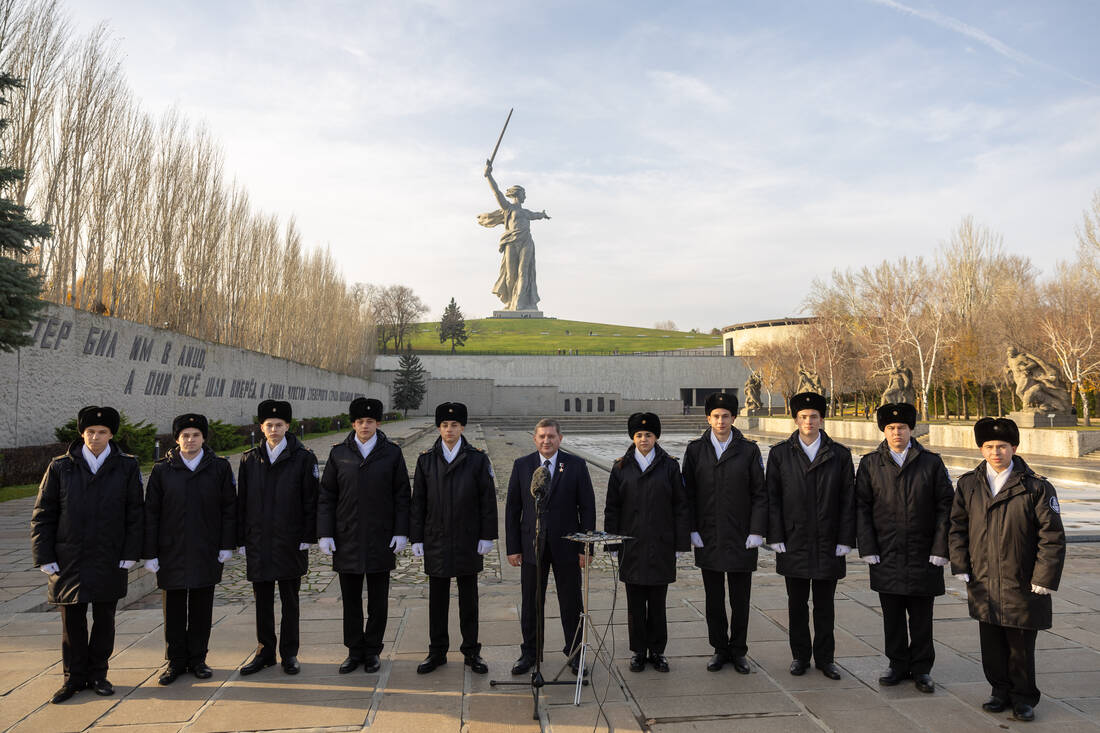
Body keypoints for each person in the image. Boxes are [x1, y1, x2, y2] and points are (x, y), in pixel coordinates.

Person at [949, 418, 1066, 722]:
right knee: (991, 642)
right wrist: (960, 564)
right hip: (983, 579)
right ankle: (999, 691)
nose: (996, 452)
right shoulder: (968, 484)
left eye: (1002, 446)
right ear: (981, 449)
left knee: (1020, 645)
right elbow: (957, 528)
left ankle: (1024, 697)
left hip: (1022, 580)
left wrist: (1044, 577)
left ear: (1014, 447)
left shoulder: (1035, 486)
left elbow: (1051, 536)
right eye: (989, 446)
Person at [31, 406, 143, 704]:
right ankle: (73, 678)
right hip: (70, 556)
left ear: (111, 435)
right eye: (90, 432)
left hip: (110, 554)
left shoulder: (126, 466)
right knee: (72, 620)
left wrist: (131, 551)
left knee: (104, 619)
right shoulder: (60, 467)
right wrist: (44, 555)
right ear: (82, 433)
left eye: (102, 432)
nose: (96, 437)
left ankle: (98, 674)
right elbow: (44, 513)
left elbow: (135, 513)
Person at [856, 402, 953, 694]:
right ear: (883, 431)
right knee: (893, 615)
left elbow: (946, 506)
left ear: (912, 429)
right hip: (886, 552)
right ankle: (897, 664)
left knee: (922, 617)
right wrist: (867, 546)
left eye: (902, 427)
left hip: (924, 553)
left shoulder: (931, 462)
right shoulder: (871, 463)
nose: (897, 432)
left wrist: (941, 547)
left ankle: (922, 669)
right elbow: (861, 506)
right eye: (891, 428)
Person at [318, 397, 410, 675]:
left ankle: (373, 650)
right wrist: (325, 533)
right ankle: (354, 650)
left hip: (380, 537)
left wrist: (401, 531)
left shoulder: (392, 453)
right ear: (353, 423)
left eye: (370, 421)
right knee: (351, 598)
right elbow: (327, 496)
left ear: (378, 423)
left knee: (379, 599)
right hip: (347, 537)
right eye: (360, 421)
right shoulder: (339, 454)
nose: (365, 425)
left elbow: (402, 495)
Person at [766, 392, 855, 680]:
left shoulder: (840, 454)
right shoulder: (780, 454)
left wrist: (845, 538)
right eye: (803, 416)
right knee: (796, 604)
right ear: (795, 419)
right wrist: (776, 535)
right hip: (794, 540)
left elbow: (848, 499)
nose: (808, 421)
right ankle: (800, 656)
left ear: (821, 419)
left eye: (814, 416)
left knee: (825, 606)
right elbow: (773, 498)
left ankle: (826, 658)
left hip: (828, 540)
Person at [143, 413, 236, 684]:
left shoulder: (219, 468)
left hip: (206, 548)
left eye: (196, 435)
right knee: (173, 609)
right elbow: (151, 513)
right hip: (170, 549)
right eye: (185, 435)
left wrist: (226, 544)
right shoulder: (162, 470)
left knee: (201, 607)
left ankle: (198, 659)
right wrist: (150, 552)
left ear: (204, 438)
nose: (191, 440)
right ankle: (175, 661)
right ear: (176, 439)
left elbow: (229, 508)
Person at [410, 402, 498, 674]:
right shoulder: (426, 459)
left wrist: (488, 535)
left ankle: (472, 651)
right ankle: (437, 652)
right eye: (445, 425)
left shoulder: (477, 458)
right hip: (435, 537)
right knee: (437, 601)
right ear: (439, 427)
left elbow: (487, 500)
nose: (450, 430)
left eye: (455, 425)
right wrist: (417, 538)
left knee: (468, 599)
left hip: (467, 538)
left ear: (463, 427)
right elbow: (418, 502)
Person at [505, 418, 597, 676]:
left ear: (560, 439)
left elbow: (587, 507)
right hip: (532, 545)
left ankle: (575, 652)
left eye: (551, 437)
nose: (547, 441)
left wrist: (586, 547)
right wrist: (513, 547)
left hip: (567, 546)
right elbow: (513, 508)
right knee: (531, 602)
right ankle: (530, 653)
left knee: (571, 602)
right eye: (542, 436)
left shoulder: (576, 466)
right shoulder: (522, 465)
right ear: (534, 439)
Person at [682, 393, 766, 674]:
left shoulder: (749, 450)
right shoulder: (695, 450)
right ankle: (719, 648)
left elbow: (759, 494)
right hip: (709, 535)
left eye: (726, 416)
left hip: (741, 535)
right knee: (714, 598)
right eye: (716, 416)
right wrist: (691, 528)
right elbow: (688, 494)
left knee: (740, 599)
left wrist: (757, 530)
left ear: (733, 418)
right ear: (708, 419)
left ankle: (739, 650)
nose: (720, 421)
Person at [236, 400, 318, 676]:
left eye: (279, 425)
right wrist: (241, 538)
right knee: (262, 600)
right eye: (269, 425)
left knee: (290, 599)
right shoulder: (249, 459)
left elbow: (310, 499)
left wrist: (309, 535)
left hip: (290, 540)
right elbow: (242, 502)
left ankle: (290, 653)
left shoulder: (303, 458)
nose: (274, 429)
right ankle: (265, 652)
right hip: (259, 540)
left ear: (287, 427)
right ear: (261, 427)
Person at [604, 412, 691, 673]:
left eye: (649, 435)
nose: (644, 439)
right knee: (634, 604)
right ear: (633, 437)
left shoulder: (669, 466)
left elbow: (680, 507)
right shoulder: (620, 467)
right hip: (632, 545)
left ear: (656, 437)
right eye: (639, 435)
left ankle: (658, 651)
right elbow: (612, 508)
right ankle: (638, 651)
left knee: (657, 602)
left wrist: (680, 544)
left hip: (661, 545)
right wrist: (612, 542)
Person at [479, 160, 550, 311]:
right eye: (524, 193)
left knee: (523, 272)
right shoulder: (508, 208)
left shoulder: (526, 212)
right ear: (517, 194)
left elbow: (536, 215)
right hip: (511, 242)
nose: (525, 196)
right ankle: (510, 301)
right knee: (511, 275)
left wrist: (543, 215)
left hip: (526, 242)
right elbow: (497, 192)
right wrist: (488, 176)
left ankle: (520, 302)